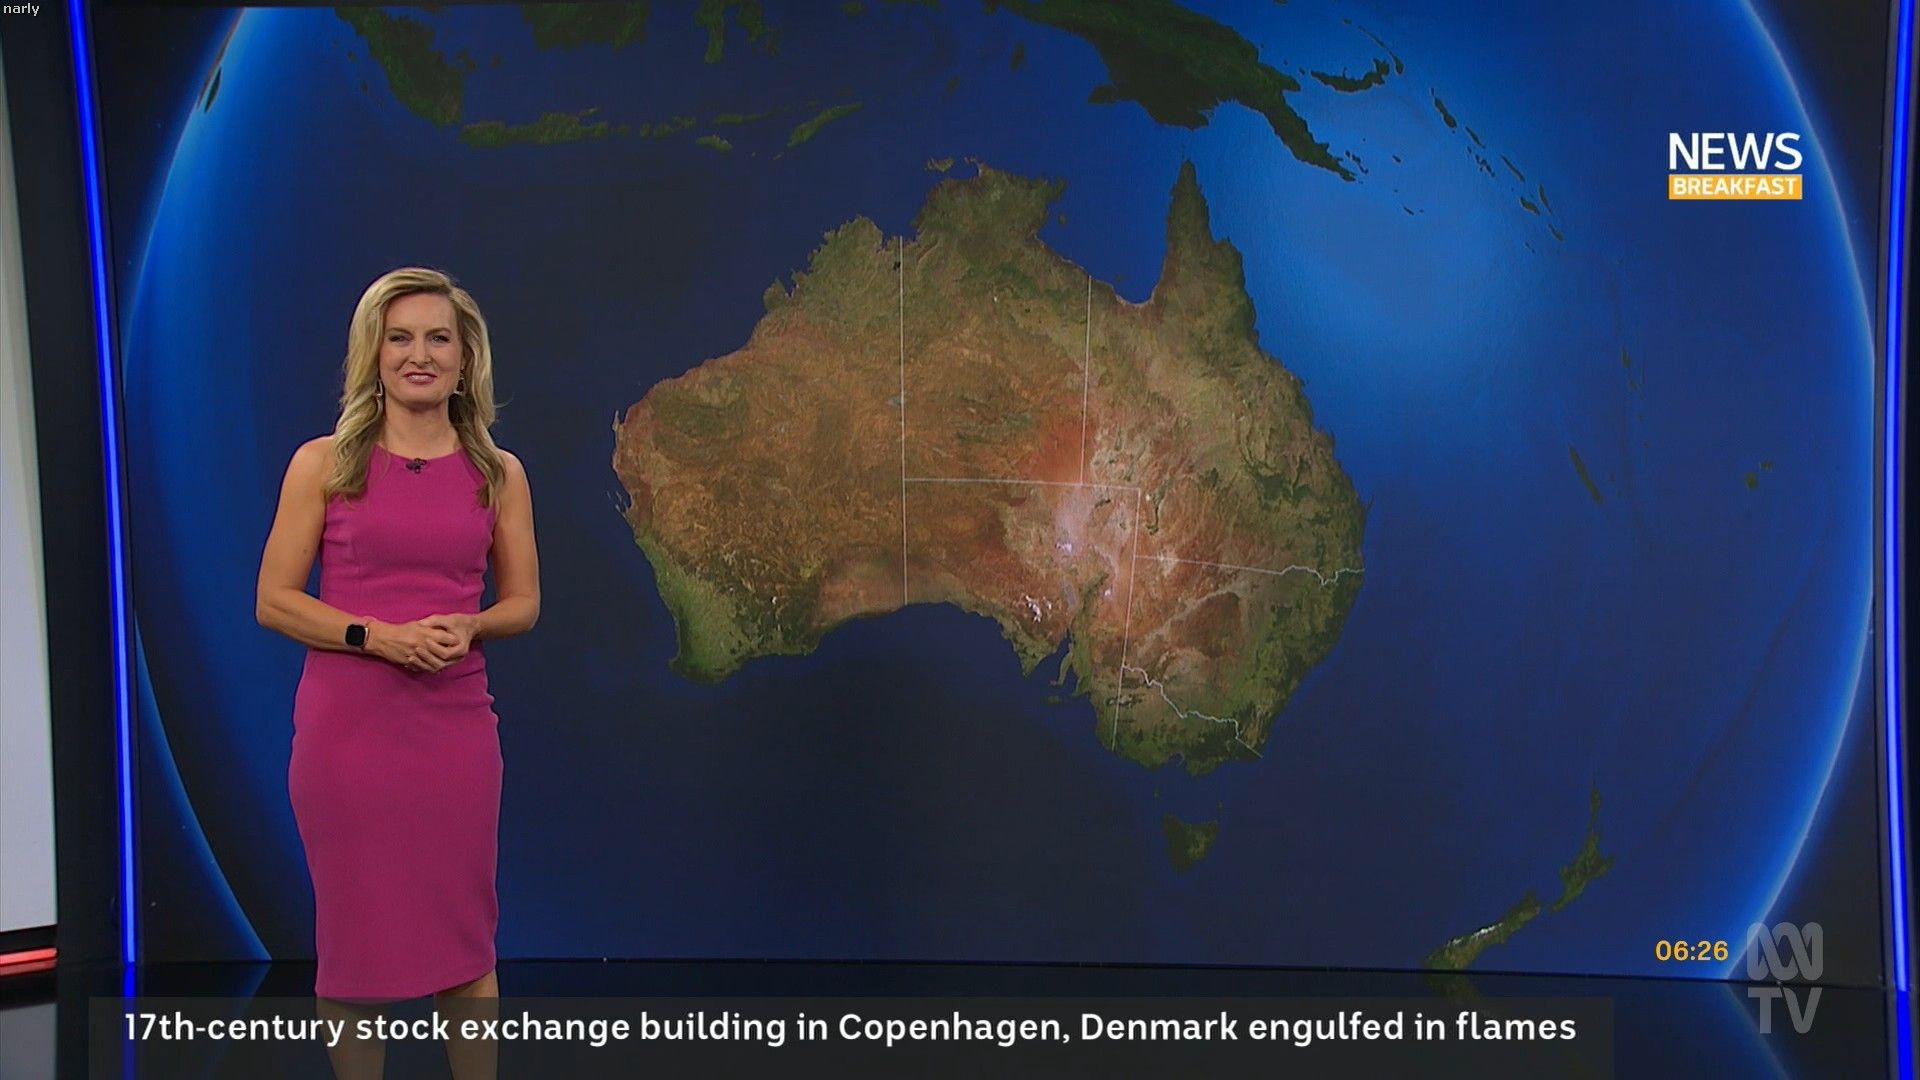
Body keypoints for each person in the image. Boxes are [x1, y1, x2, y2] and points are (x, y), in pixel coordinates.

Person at [255, 266, 539, 1079]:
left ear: (464, 357)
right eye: (401, 338)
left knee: (464, 938)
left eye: (438, 338)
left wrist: (472, 624)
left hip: (454, 730)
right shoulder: (324, 465)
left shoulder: (499, 473)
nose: (420, 355)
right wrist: (375, 635)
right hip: (349, 736)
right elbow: (274, 601)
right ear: (374, 356)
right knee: (355, 947)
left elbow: (523, 603)